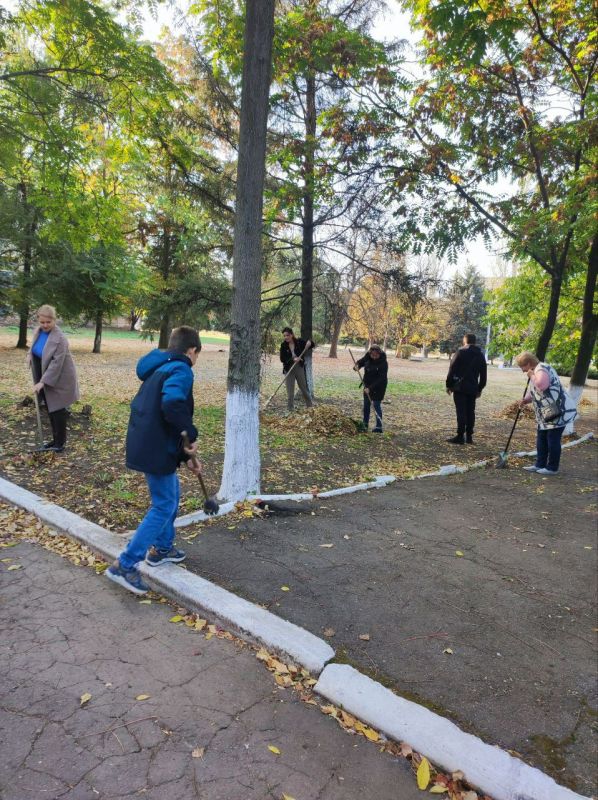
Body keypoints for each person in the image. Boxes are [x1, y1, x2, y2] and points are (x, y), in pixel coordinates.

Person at [106, 326, 203, 596]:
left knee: (171, 496)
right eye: (197, 355)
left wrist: (186, 456)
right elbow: (172, 405)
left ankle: (162, 548)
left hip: (149, 442)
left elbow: (168, 419)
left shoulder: (160, 366)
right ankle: (125, 564)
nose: (195, 359)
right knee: (163, 505)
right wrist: (191, 432)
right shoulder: (181, 370)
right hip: (155, 447)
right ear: (192, 350)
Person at [28, 304, 80, 452]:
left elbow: (57, 364)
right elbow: (34, 348)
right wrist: (28, 356)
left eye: (48, 322)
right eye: (42, 322)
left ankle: (60, 444)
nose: (45, 325)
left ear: (54, 320)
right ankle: (55, 440)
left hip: (60, 379)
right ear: (38, 320)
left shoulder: (61, 339)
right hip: (44, 374)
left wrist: (42, 382)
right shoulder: (38, 331)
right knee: (51, 409)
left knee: (58, 410)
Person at [516, 351, 576, 475]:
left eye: (522, 367)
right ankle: (539, 464)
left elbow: (541, 385)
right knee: (542, 438)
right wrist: (526, 400)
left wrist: (531, 375)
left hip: (558, 410)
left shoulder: (541, 369)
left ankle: (552, 468)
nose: (522, 370)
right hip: (547, 412)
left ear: (528, 363)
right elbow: (536, 390)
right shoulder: (535, 371)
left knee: (552, 439)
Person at [445, 333, 487, 444]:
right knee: (470, 411)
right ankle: (469, 436)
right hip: (473, 387)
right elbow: (483, 375)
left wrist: (449, 385)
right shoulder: (480, 355)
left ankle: (460, 436)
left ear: (465, 340)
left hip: (460, 387)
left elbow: (452, 369)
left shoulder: (460, 352)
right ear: (475, 341)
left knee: (461, 411)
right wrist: (480, 388)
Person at [354, 344, 388, 433]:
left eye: (376, 355)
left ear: (379, 354)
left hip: (378, 387)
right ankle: (365, 425)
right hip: (367, 384)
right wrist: (357, 366)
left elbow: (381, 378)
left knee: (376, 405)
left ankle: (379, 427)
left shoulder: (383, 362)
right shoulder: (368, 356)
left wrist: (370, 388)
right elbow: (360, 362)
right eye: (372, 355)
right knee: (366, 406)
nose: (374, 357)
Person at [279, 327, 314, 412]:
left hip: (299, 368)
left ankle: (310, 407)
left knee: (303, 388)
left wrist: (310, 342)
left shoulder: (299, 342)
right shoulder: (283, 345)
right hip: (289, 368)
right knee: (290, 390)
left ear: (291, 334)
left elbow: (311, 344)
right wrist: (293, 359)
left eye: (287, 335)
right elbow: (282, 358)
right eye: (284, 336)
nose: (286, 337)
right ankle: (290, 409)